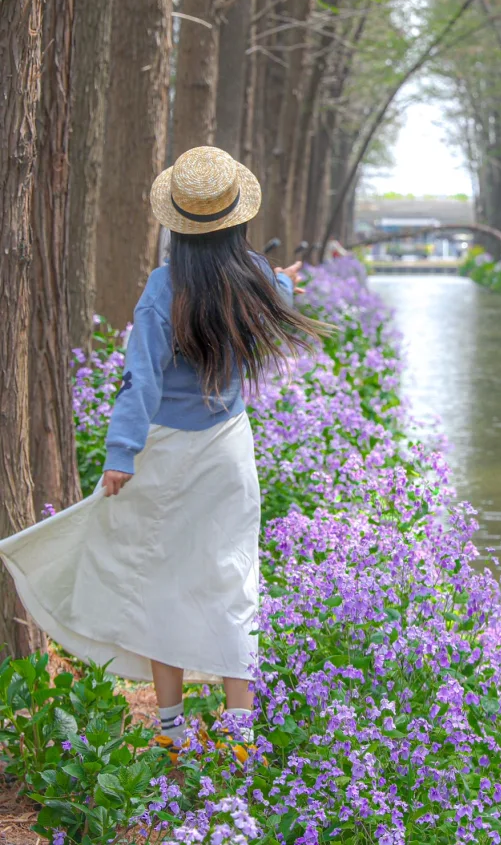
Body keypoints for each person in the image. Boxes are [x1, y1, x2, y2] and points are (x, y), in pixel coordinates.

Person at [0, 146, 323, 745]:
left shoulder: (164, 288)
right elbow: (278, 294)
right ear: (237, 220)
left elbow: (140, 380)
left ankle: (171, 729)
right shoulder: (256, 277)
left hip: (165, 452)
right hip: (228, 452)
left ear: (178, 224)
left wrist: (120, 454)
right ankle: (239, 733)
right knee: (232, 581)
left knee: (159, 584)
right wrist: (285, 282)